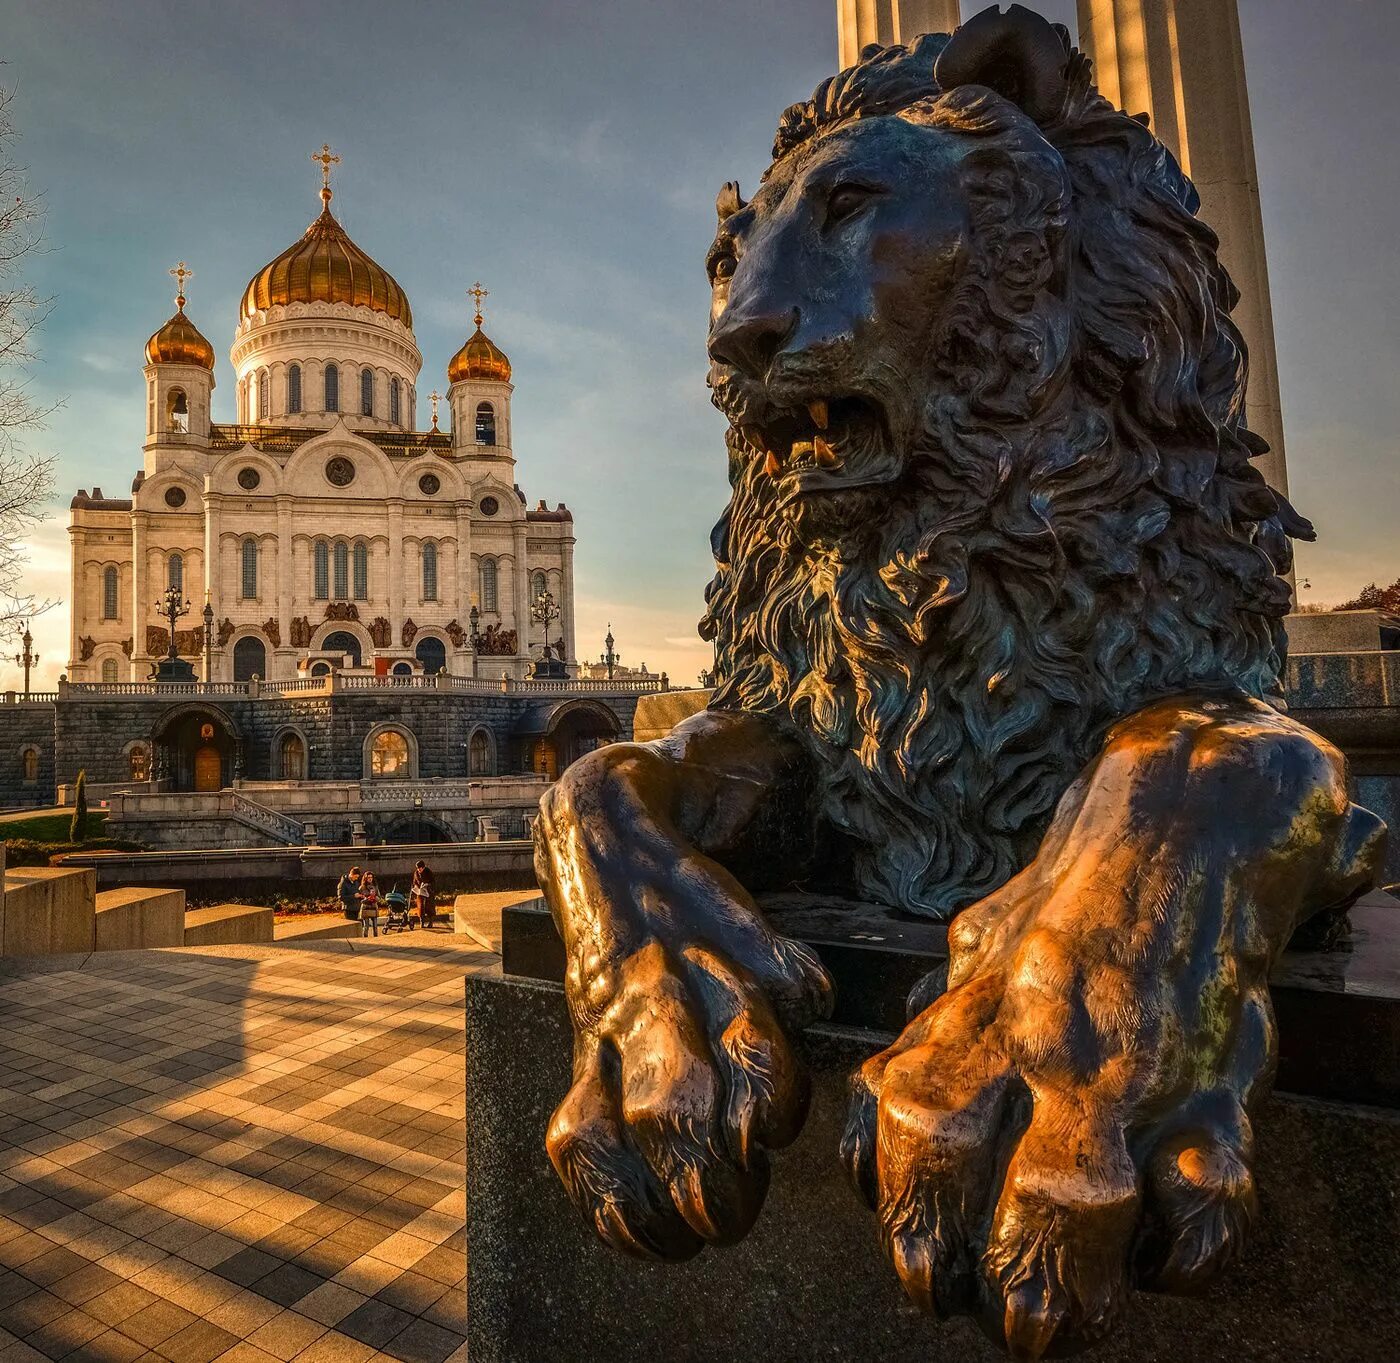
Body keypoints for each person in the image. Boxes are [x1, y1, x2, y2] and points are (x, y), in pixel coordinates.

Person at [410, 859, 436, 929]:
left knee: (429, 907)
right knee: (420, 907)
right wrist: (416, 887)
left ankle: (430, 922)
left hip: (428, 892)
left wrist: (427, 885)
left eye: (420, 868)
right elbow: (414, 882)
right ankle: (422, 922)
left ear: (423, 867)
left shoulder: (428, 872)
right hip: (420, 893)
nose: (418, 870)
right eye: (417, 868)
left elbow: (433, 881)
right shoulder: (416, 873)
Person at [358, 870, 381, 937]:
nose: (370, 879)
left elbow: (379, 897)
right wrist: (366, 899)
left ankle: (376, 940)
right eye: (368, 877)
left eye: (371, 877)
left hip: (374, 907)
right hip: (365, 907)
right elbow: (359, 899)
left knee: (375, 927)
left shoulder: (375, 886)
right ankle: (365, 940)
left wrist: (375, 898)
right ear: (365, 878)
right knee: (366, 927)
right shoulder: (361, 888)